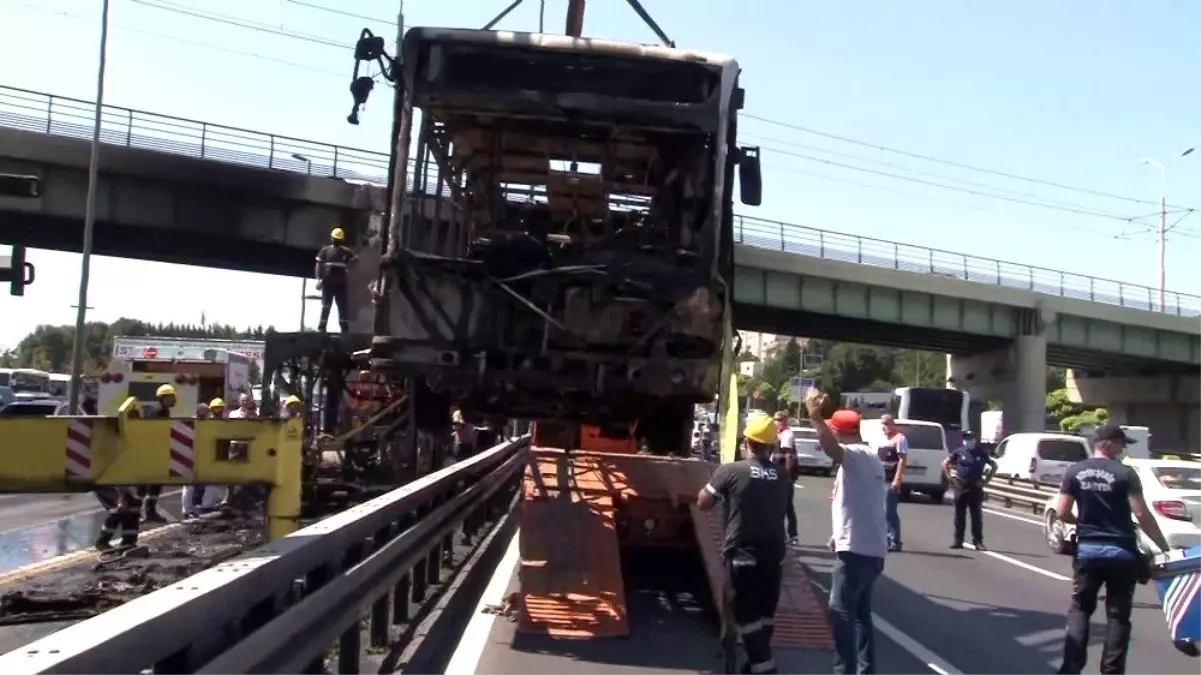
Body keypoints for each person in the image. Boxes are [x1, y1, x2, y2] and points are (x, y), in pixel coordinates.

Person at [1053, 424, 1171, 675]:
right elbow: (1141, 513)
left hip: (1088, 552)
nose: (1123, 448)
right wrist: (1163, 546)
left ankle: (1070, 668)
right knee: (1118, 617)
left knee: (1081, 609)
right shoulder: (1125, 474)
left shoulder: (1075, 471)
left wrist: (1083, 523)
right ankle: (1112, 670)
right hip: (1122, 553)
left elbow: (1062, 512)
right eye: (1121, 443)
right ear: (1108, 444)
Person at [696, 411, 791, 675]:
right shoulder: (783, 476)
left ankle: (764, 666)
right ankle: (755, 663)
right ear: (772, 446)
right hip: (774, 554)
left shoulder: (732, 471)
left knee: (746, 613)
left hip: (742, 554)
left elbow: (703, 503)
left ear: (747, 443)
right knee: (764, 612)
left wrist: (716, 485)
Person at [804, 388, 887, 675]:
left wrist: (814, 416)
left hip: (856, 554)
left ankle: (845, 672)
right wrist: (837, 533)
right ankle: (865, 671)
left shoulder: (852, 455)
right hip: (871, 551)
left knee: (839, 613)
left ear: (839, 432)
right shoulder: (869, 458)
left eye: (831, 430)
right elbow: (864, 503)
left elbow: (831, 449)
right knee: (861, 615)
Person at [942, 429, 997, 550]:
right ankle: (958, 540)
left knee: (976, 516)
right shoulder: (959, 452)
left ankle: (978, 541)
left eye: (970, 438)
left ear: (974, 439)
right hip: (961, 486)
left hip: (975, 486)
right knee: (959, 516)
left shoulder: (980, 452)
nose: (968, 441)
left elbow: (994, 466)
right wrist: (950, 478)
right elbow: (945, 463)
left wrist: (985, 481)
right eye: (966, 438)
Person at [138, 383, 175, 524]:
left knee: (155, 485)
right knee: (148, 485)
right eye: (169, 397)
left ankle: (149, 512)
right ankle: (144, 513)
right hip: (152, 452)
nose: (172, 400)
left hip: (157, 451)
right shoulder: (158, 412)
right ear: (162, 398)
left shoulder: (164, 411)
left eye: (172, 397)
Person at [314, 226, 358, 333]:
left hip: (340, 284)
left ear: (341, 240)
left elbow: (356, 260)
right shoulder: (325, 250)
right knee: (326, 305)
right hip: (328, 283)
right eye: (335, 239)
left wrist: (349, 267)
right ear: (331, 238)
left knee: (342, 306)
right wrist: (319, 279)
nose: (336, 241)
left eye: (338, 240)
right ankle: (322, 327)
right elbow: (318, 265)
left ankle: (344, 328)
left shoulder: (346, 252)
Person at [877, 415, 908, 552]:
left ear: (892, 424)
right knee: (881, 511)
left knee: (889, 511)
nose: (884, 426)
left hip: (891, 480)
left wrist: (897, 479)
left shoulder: (900, 439)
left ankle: (895, 540)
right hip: (880, 479)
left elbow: (902, 460)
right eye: (882, 423)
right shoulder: (883, 439)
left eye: (886, 423)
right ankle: (885, 539)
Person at [770, 410, 799, 546]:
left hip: (783, 475)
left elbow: (788, 456)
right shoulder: (778, 433)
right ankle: (787, 534)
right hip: (777, 473)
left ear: (785, 421)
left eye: (779, 419)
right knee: (781, 505)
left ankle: (792, 535)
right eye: (775, 419)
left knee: (786, 505)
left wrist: (786, 476)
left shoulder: (786, 435)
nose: (776, 422)